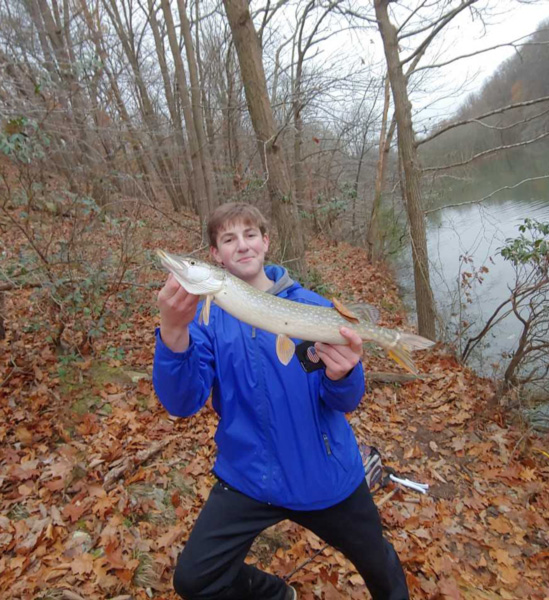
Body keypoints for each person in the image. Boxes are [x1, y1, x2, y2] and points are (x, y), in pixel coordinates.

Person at [153, 203, 410, 600]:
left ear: (266, 241)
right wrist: (171, 332)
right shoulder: (203, 319)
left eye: (250, 235)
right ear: (214, 257)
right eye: (228, 239)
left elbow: (343, 399)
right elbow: (183, 402)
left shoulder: (312, 305)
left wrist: (343, 374)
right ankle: (276, 595)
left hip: (323, 474)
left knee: (383, 572)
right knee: (195, 579)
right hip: (249, 476)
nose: (241, 246)